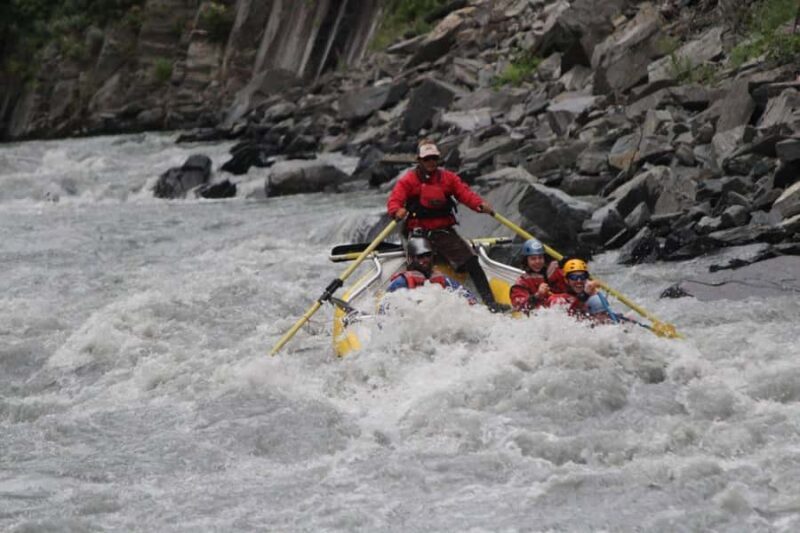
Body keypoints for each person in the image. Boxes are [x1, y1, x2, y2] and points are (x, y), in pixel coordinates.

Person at [386, 139, 509, 312]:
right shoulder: (408, 180)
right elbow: (394, 200)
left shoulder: (448, 178)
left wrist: (479, 204)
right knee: (419, 265)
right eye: (427, 159)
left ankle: (490, 303)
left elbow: (465, 193)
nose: (431, 162)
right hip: (418, 232)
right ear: (419, 160)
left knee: (472, 261)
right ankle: (413, 305)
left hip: (442, 232)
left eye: (433, 158)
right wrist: (396, 210)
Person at [386, 235, 477, 304]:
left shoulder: (443, 280)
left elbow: (467, 296)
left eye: (428, 255)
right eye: (420, 256)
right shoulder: (401, 282)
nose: (425, 260)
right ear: (411, 259)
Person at [509, 238, 568, 313]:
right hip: (541, 314)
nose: (538, 261)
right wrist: (537, 295)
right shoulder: (522, 282)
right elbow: (520, 306)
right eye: (533, 259)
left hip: (560, 308)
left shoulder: (554, 270)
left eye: (540, 257)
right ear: (526, 261)